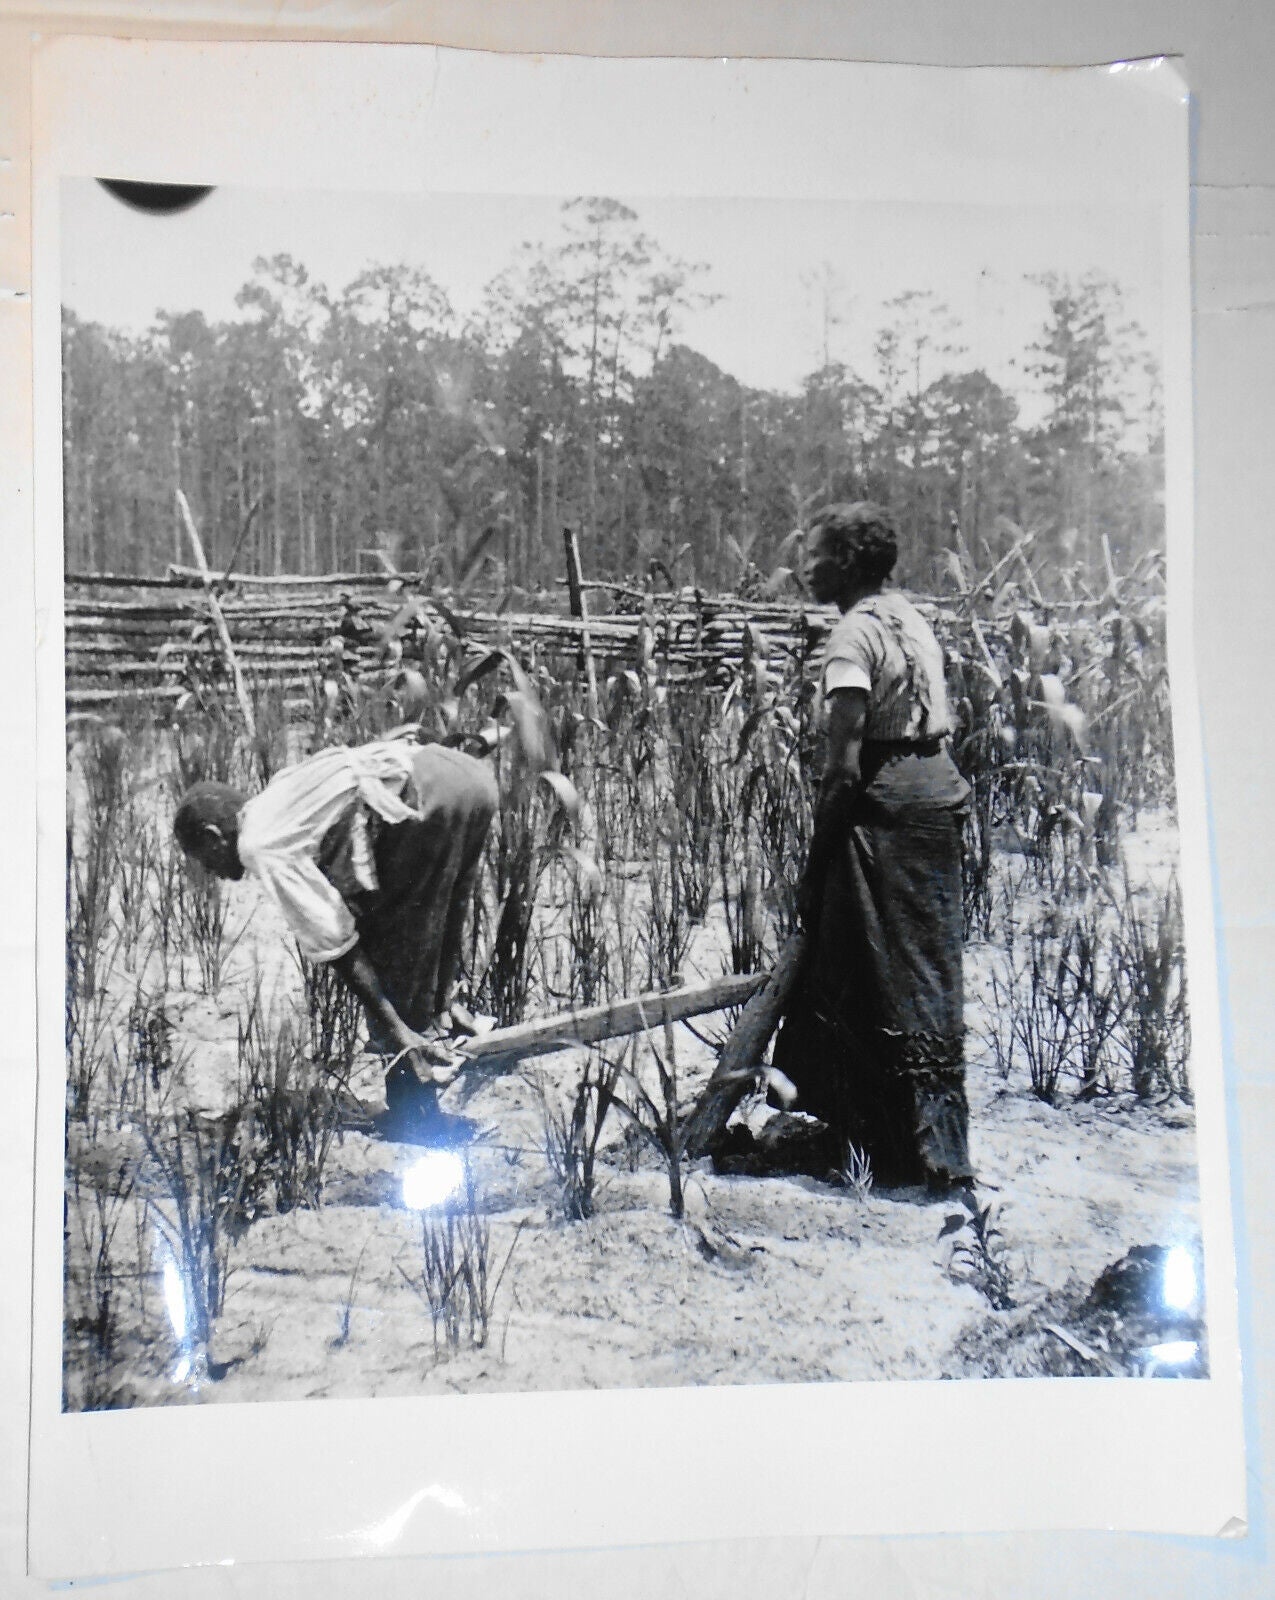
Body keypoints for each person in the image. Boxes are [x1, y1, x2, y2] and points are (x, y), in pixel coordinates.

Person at [767, 501, 975, 1195]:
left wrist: (814, 862)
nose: (803, 567)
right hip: (934, 794)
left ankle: (878, 1148)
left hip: (883, 804)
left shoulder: (852, 637)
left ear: (848, 562)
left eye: (816, 554)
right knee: (923, 969)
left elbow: (843, 767)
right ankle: (928, 1145)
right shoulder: (910, 618)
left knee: (864, 966)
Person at [173, 737, 498, 1137]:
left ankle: (416, 1116)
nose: (211, 872)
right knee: (436, 909)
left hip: (424, 791)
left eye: (204, 860)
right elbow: (446, 914)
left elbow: (337, 944)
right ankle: (442, 1025)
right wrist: (440, 995)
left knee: (391, 955)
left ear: (212, 836)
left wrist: (399, 1033)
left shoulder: (259, 845)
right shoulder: (275, 798)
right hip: (464, 776)